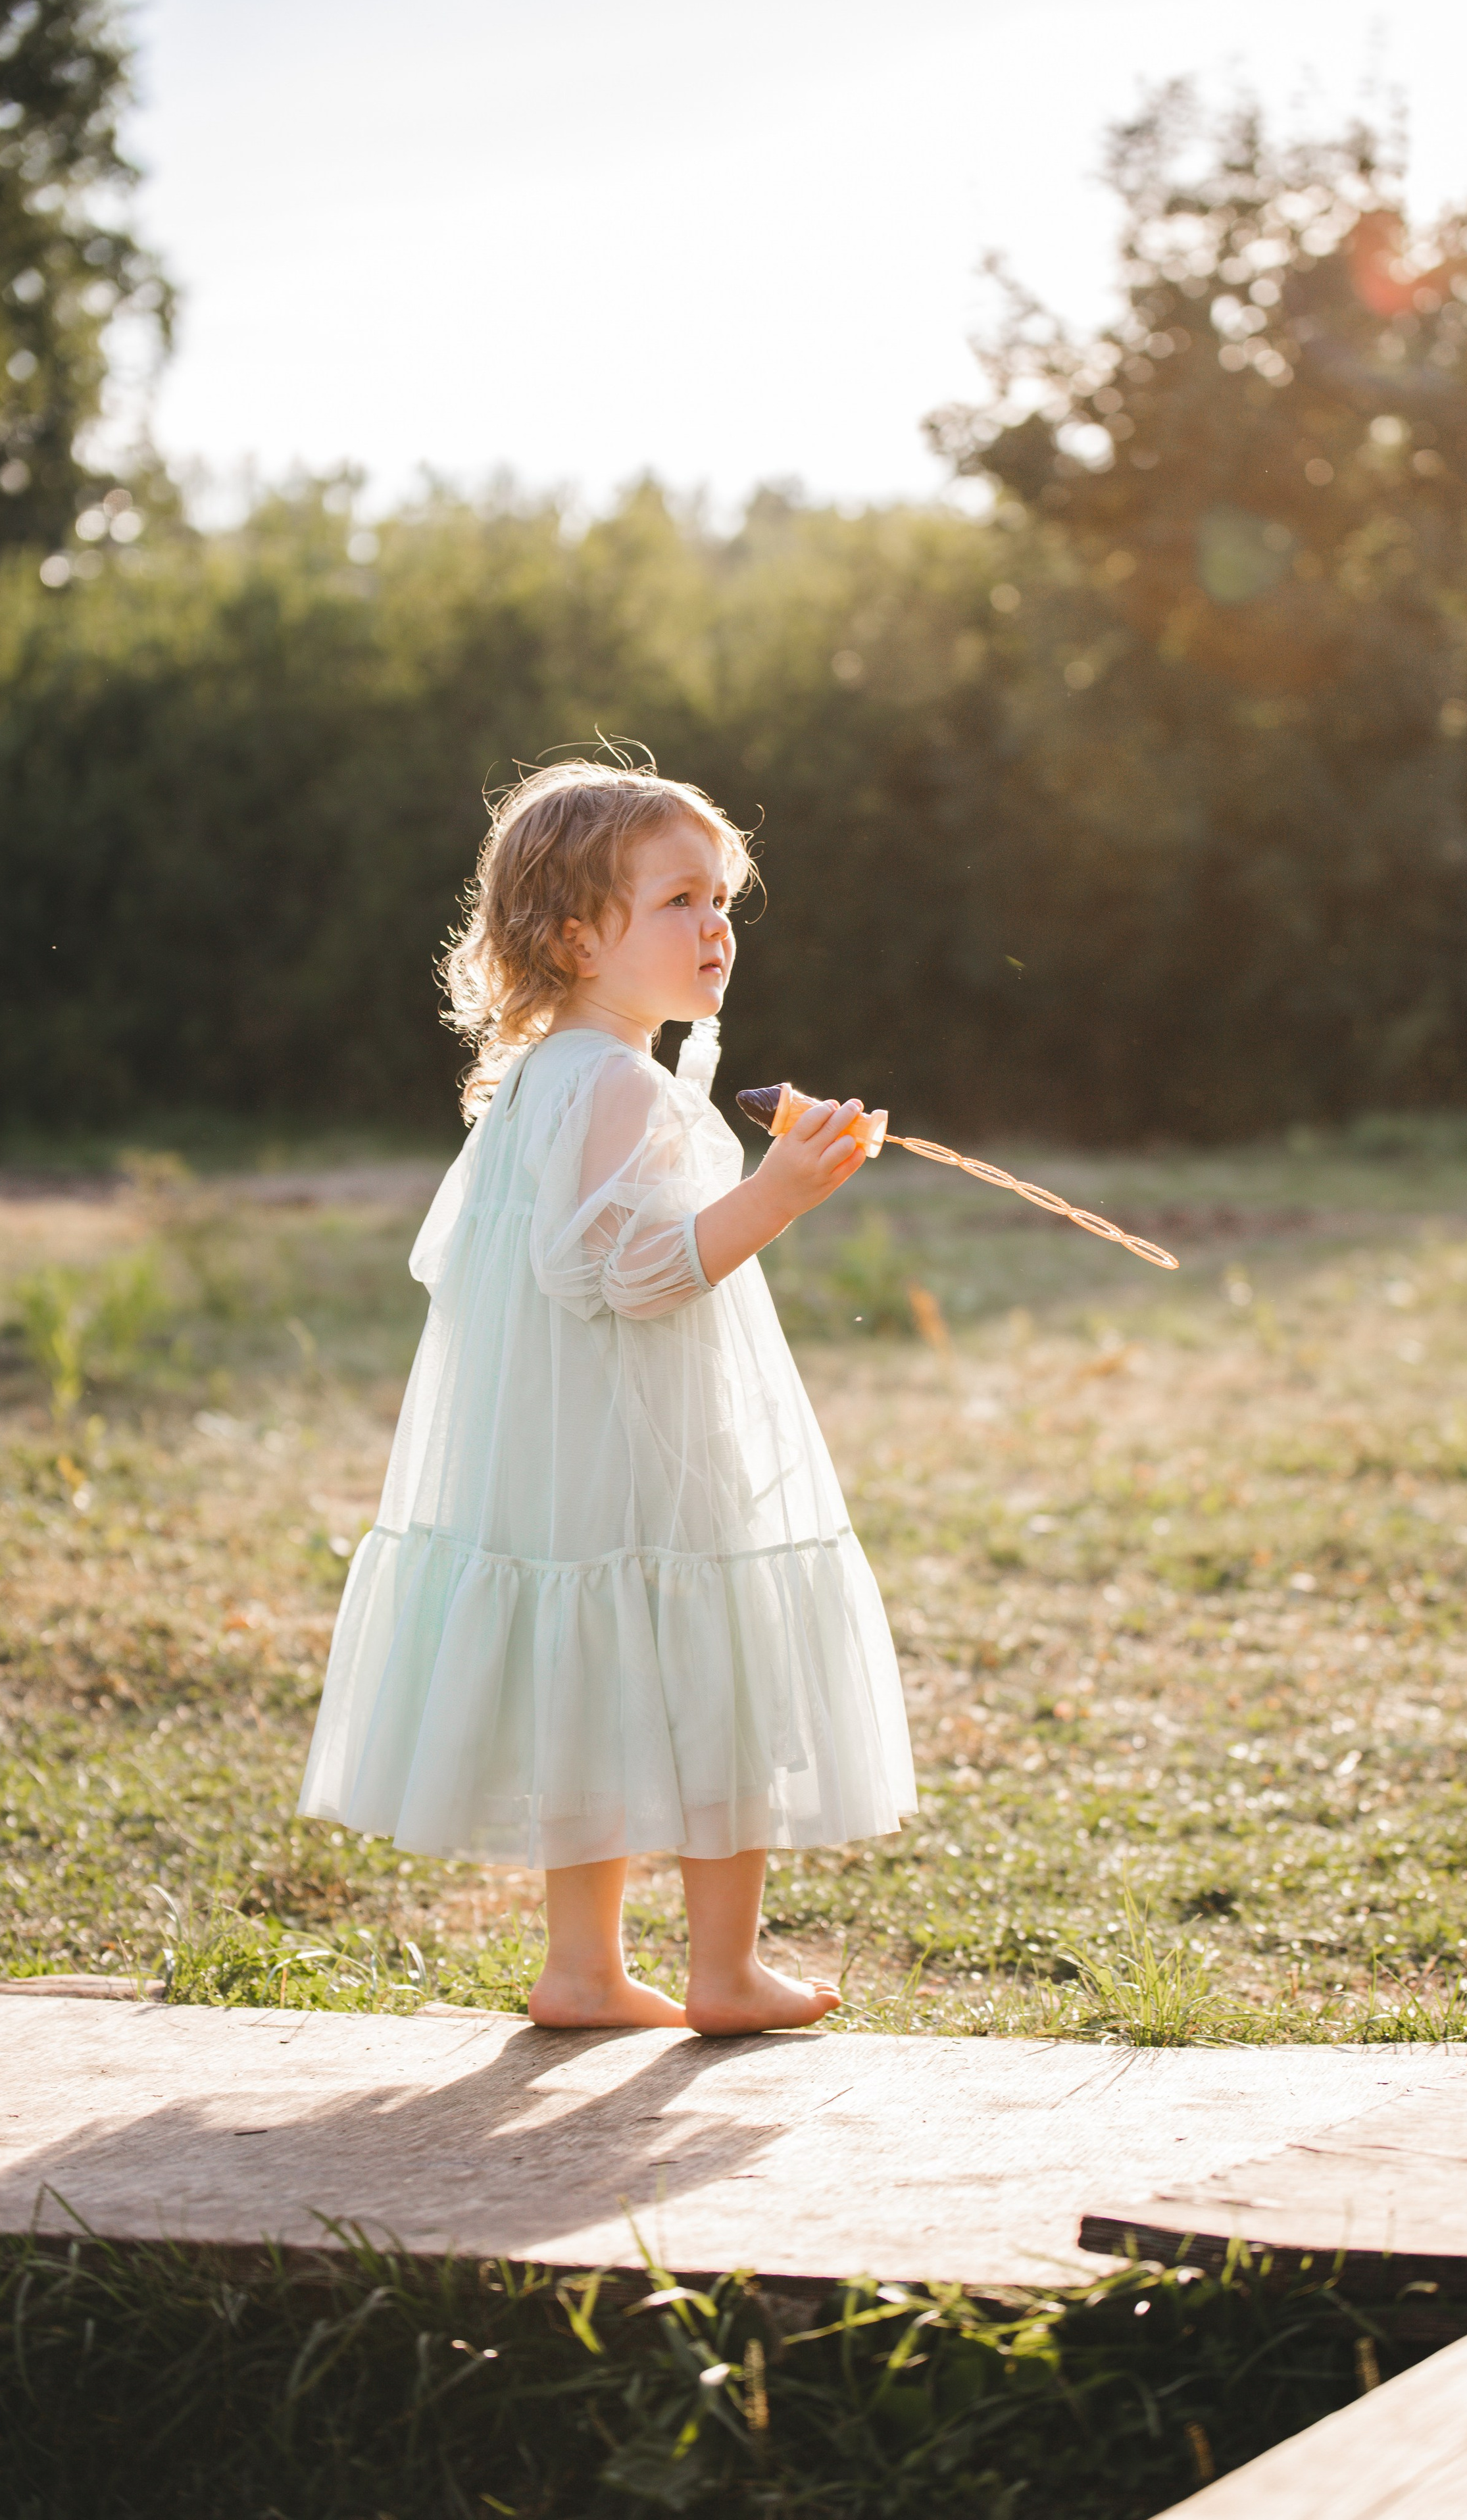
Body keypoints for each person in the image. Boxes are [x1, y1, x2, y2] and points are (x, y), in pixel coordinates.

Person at [297, 758, 916, 2032]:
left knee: (589, 1683)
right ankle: (724, 1970)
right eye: (680, 900)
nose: (715, 928)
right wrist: (781, 1191)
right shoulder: (623, 1086)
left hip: (564, 1450)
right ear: (575, 936)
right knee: (710, 1670)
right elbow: (632, 1276)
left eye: (722, 899)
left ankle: (583, 1968)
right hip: (649, 1448)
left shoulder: (549, 1077)